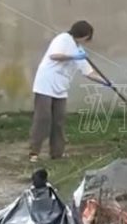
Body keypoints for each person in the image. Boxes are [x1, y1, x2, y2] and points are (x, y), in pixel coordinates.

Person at [29, 20, 106, 162]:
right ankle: (34, 152)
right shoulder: (63, 39)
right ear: (83, 35)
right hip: (46, 83)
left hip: (61, 87)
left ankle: (57, 153)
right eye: (88, 36)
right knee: (43, 119)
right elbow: (54, 56)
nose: (88, 40)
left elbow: (88, 73)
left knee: (59, 120)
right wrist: (73, 56)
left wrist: (105, 81)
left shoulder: (80, 50)